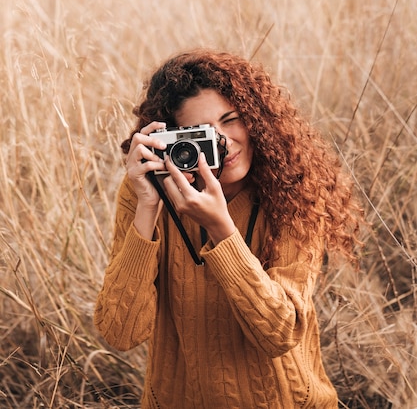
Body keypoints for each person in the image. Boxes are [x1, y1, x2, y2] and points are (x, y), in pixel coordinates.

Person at [94, 49, 362, 409]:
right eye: (201, 132)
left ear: (256, 119)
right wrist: (147, 207)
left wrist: (222, 231)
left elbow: (280, 333)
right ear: (174, 140)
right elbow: (120, 332)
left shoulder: (293, 191)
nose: (224, 142)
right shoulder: (149, 195)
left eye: (231, 119)